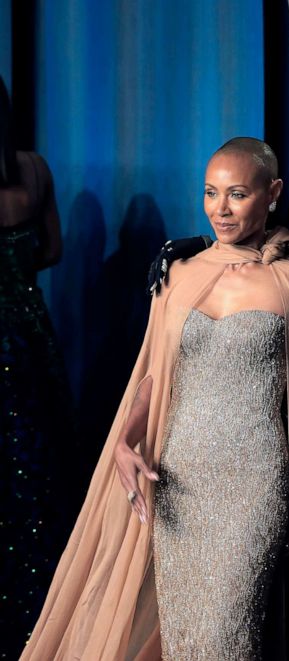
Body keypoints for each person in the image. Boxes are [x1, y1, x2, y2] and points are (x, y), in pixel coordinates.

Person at [21, 138, 289, 660]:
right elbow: (154, 378)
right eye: (210, 193)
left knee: (228, 637)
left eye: (237, 194)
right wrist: (125, 441)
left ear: (272, 193)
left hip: (255, 481)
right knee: (183, 639)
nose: (220, 209)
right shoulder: (179, 274)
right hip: (179, 475)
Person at [0, 75, 74, 659]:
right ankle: (42, 624)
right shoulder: (33, 169)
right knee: (36, 485)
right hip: (30, 343)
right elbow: (52, 251)